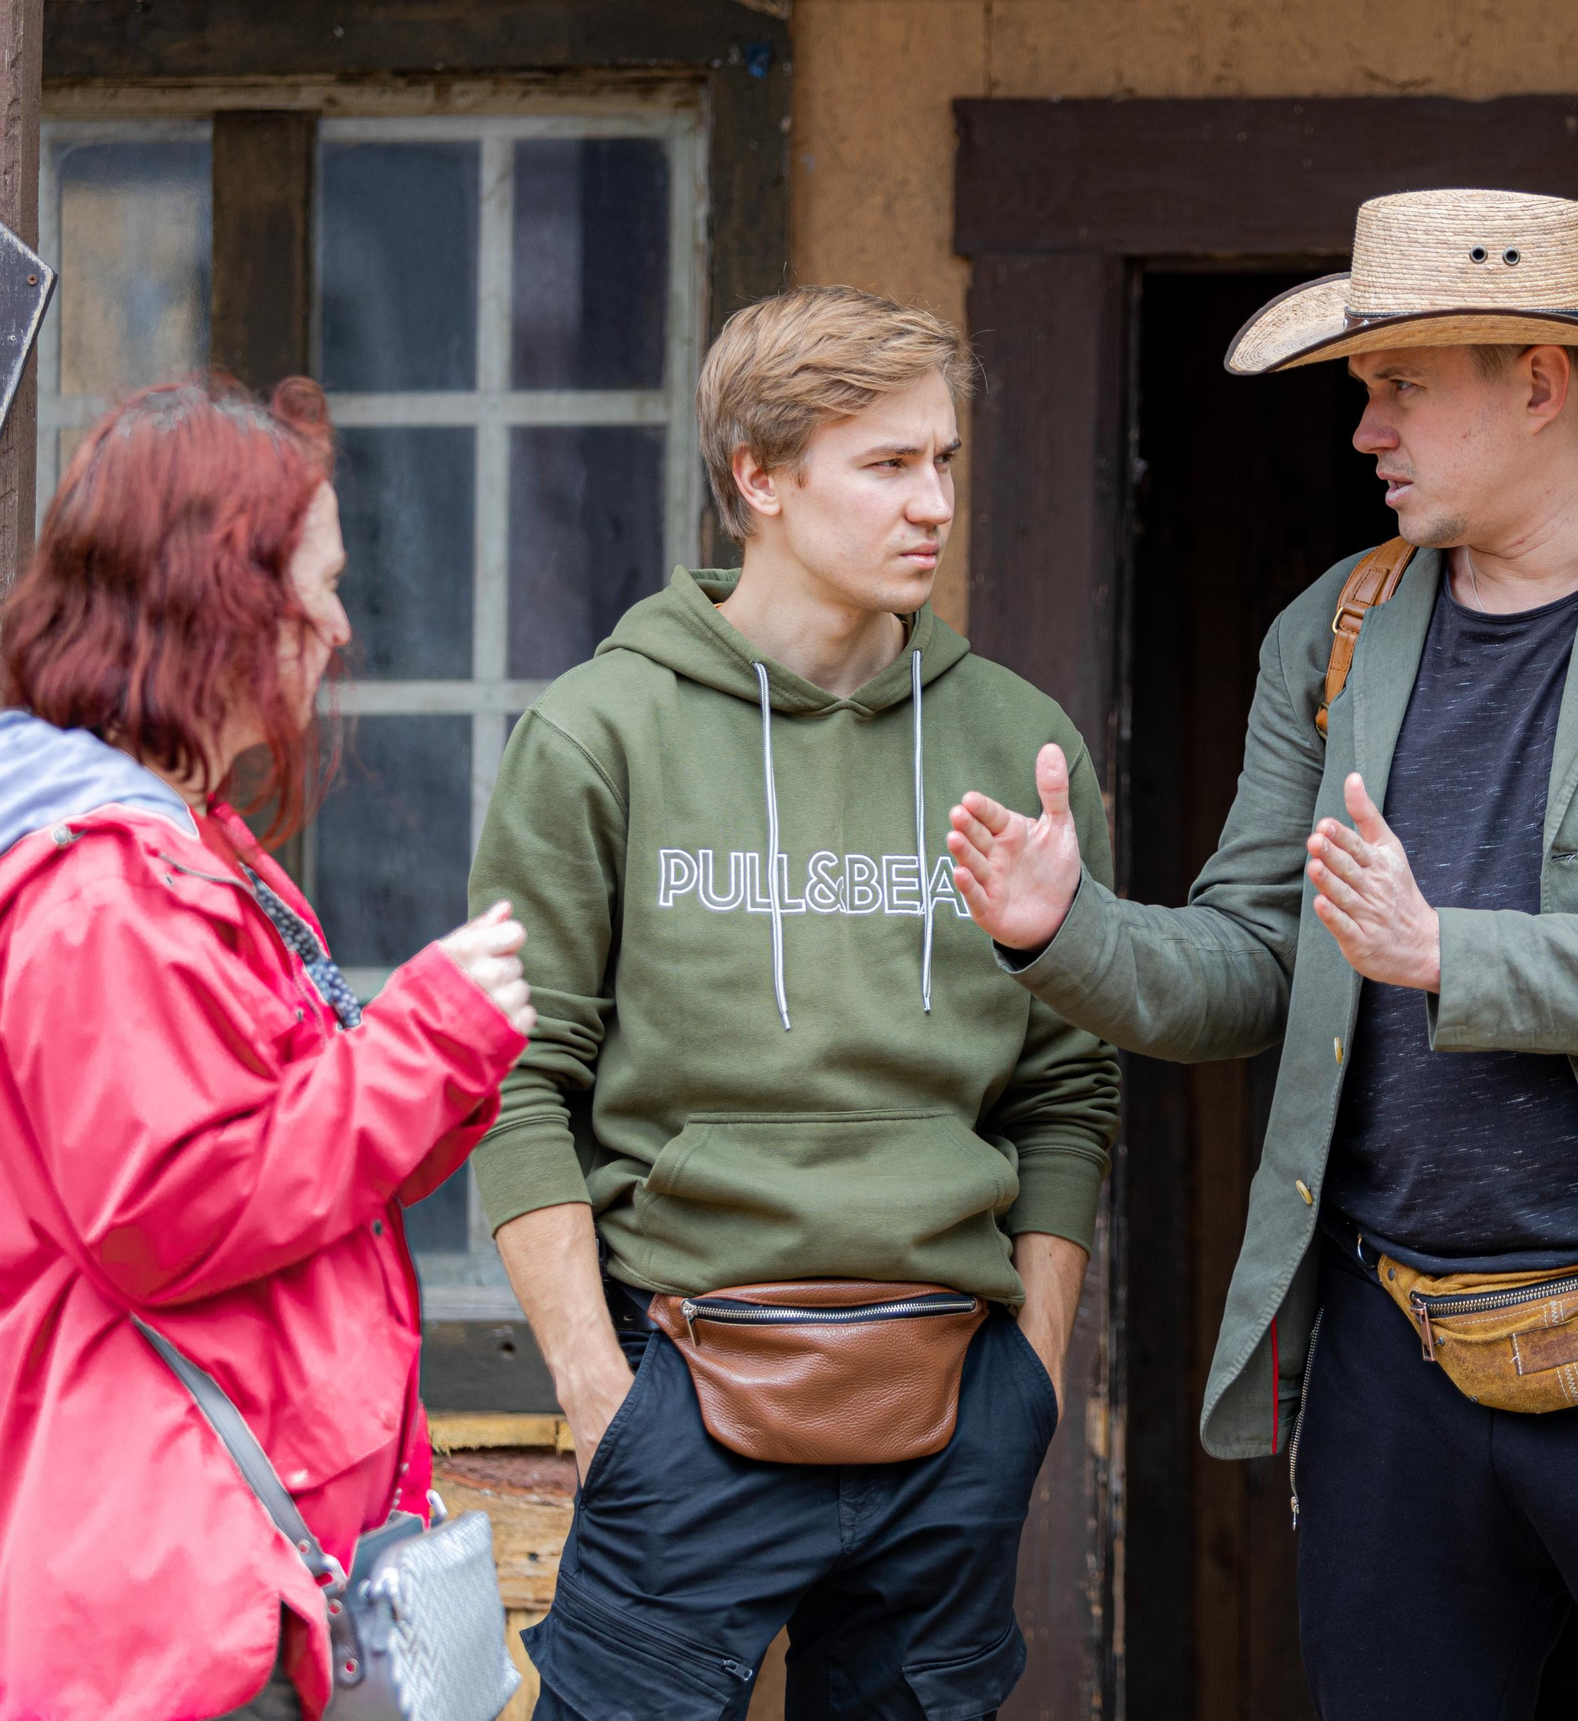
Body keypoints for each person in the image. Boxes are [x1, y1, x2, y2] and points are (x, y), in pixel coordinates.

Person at [947, 190, 1578, 1719]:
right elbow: (1256, 960)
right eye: (1361, 389)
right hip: (1398, 1351)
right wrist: (1068, 932)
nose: (1365, 428)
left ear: (1536, 380)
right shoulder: (1335, 626)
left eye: (1400, 385)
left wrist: (1448, 950)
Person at [0, 378, 536, 1721]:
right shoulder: (104, 886)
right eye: (312, 587)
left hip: (237, 1573)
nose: (340, 622)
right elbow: (178, 1205)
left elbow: (276, 1146)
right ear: (216, 600)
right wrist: (431, 1034)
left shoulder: (167, 846)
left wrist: (442, 1059)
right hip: (185, 1606)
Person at [469, 285, 1119, 1720]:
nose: (932, 503)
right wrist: (597, 1393)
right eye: (887, 465)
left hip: (954, 1400)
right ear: (759, 479)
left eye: (943, 460)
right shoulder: (601, 731)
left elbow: (1067, 1087)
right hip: (684, 1387)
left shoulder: (1022, 742)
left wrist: (1037, 1377)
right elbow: (515, 1077)